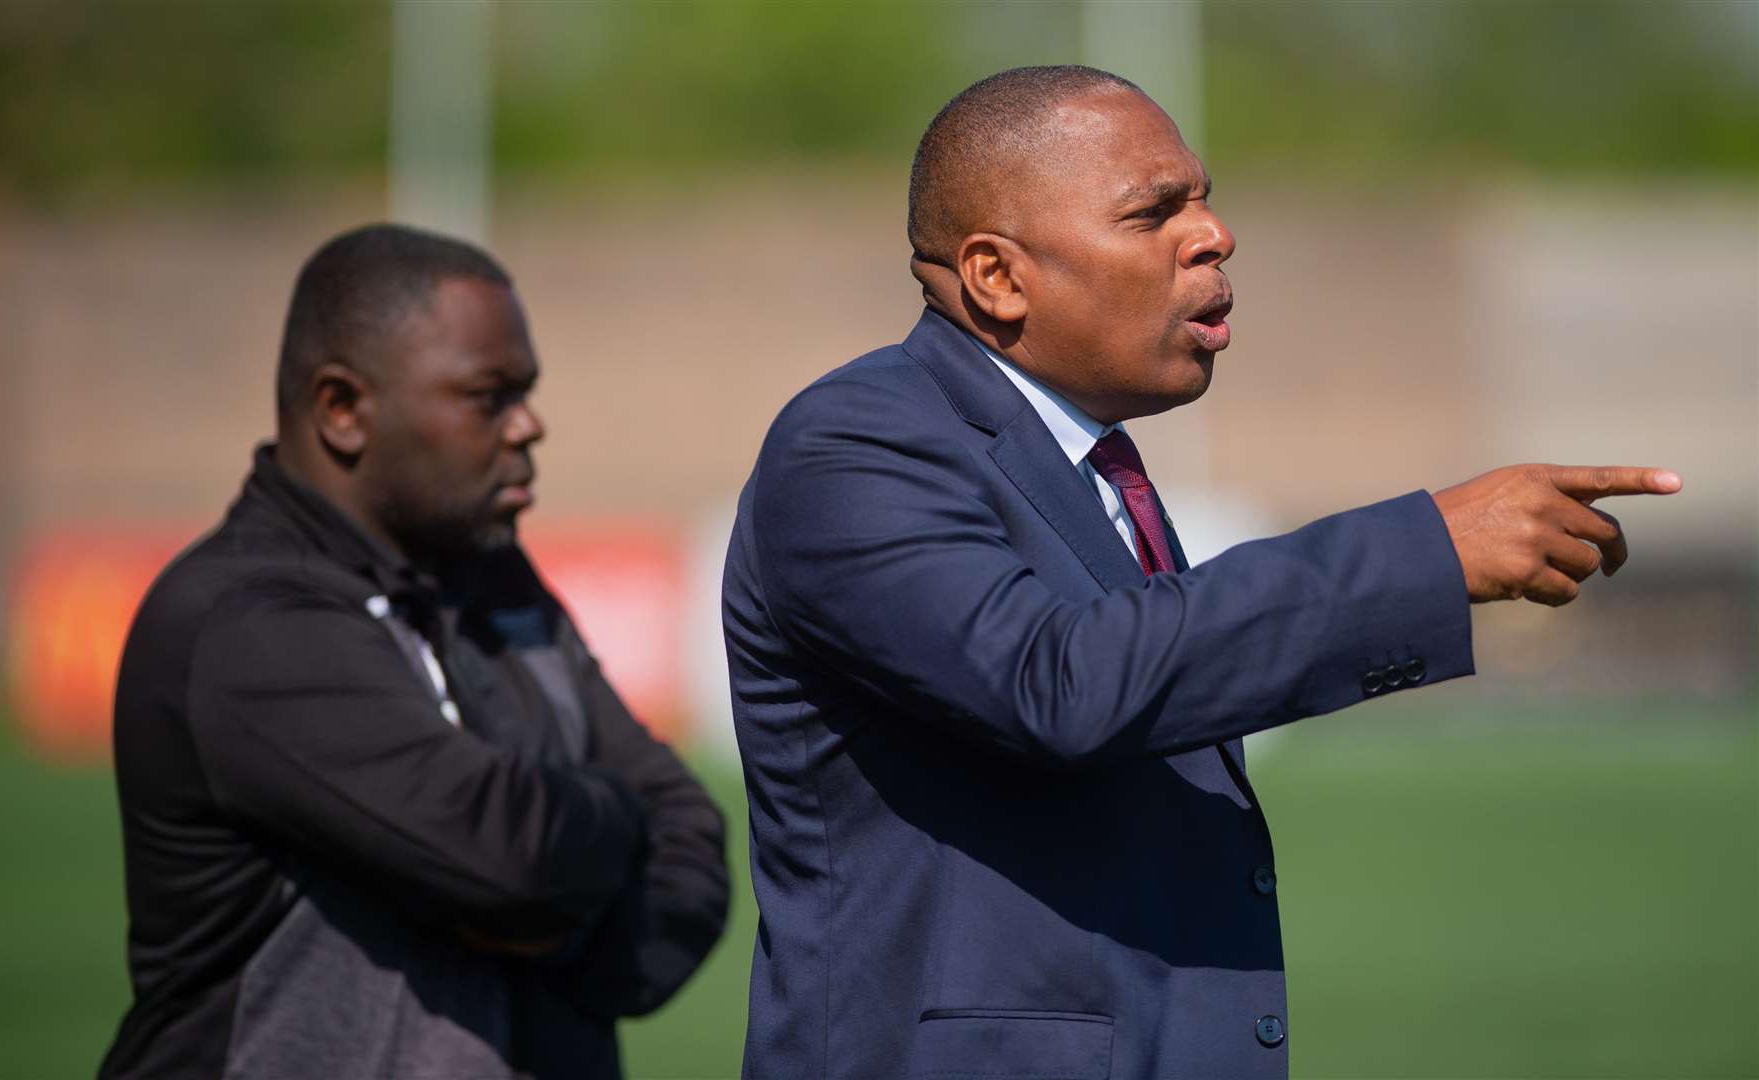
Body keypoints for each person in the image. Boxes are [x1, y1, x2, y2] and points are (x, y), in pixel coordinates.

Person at [722, 65, 1680, 1079]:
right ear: (997, 277)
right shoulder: (853, 442)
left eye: (1205, 197)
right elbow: (1057, 682)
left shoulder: (1091, 463)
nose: (1213, 234)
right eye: (1154, 213)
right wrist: (1423, 552)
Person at [101, 224, 729, 1080]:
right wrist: (613, 829)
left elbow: (689, 836)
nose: (529, 426)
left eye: (527, 391)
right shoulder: (246, 621)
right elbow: (506, 854)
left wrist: (566, 943)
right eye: (488, 396)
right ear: (343, 410)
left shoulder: (498, 582)